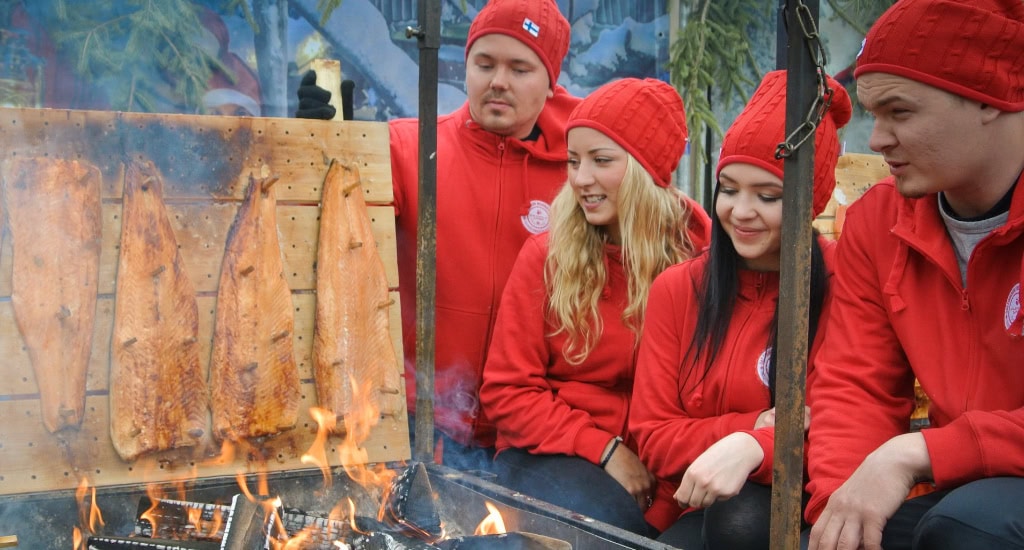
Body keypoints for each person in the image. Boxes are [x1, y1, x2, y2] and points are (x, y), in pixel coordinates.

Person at [295, 0, 581, 469]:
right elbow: (324, 222)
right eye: (484, 64)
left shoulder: (578, 174)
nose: (498, 81)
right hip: (412, 420)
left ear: (551, 82)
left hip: (529, 434)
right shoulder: (409, 147)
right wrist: (326, 140)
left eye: (520, 68)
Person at [803, 1, 1024, 549]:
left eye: (899, 112)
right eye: (872, 114)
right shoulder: (879, 222)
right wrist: (838, 512)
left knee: (970, 527)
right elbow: (856, 384)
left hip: (978, 503)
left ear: (987, 97)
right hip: (964, 485)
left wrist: (918, 452)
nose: (876, 139)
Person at [629, 69, 851, 549]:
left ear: (808, 202)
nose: (740, 212)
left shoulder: (841, 286)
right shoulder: (678, 288)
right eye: (728, 189)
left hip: (798, 506)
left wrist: (757, 450)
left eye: (767, 196)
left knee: (743, 519)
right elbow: (651, 434)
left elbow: (840, 431)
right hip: (687, 501)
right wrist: (747, 428)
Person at [479, 77, 711, 536]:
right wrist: (607, 450)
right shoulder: (546, 255)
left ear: (649, 172)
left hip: (664, 460)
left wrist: (662, 506)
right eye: (573, 161)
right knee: (610, 530)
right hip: (549, 451)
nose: (581, 179)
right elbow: (508, 392)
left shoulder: (701, 260)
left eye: (601, 160)